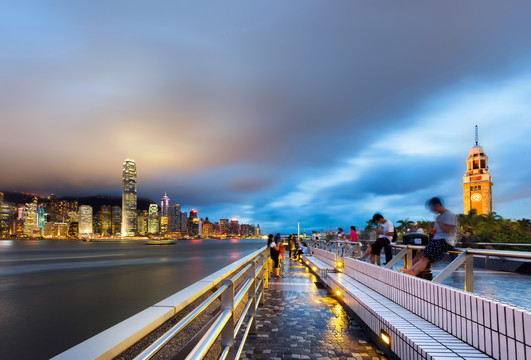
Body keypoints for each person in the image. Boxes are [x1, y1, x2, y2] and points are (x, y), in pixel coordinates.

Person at [401, 197, 458, 276]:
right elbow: (435, 232)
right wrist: (430, 229)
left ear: (437, 205)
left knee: (425, 258)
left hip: (445, 241)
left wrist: (439, 221)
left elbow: (448, 230)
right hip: (437, 240)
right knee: (419, 252)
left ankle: (411, 274)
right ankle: (408, 270)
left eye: (432, 208)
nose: (433, 211)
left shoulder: (449, 215)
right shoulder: (439, 216)